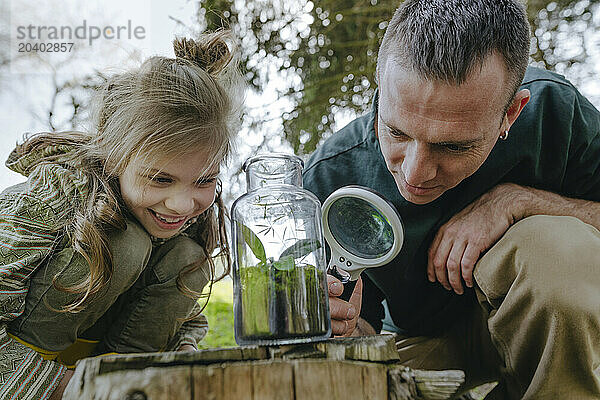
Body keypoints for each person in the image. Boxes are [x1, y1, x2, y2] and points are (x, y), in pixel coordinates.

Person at [303, 0, 600, 398]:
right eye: (396, 132)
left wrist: (518, 203)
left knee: (556, 248)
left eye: (454, 147)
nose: (414, 173)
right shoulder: (329, 176)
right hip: (417, 341)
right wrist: (339, 323)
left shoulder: (557, 113)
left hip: (557, 334)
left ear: (510, 115)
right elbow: (361, 332)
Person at [0, 31, 244, 399]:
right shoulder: (51, 199)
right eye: (161, 178)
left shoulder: (177, 225)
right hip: (21, 373)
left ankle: (128, 381)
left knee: (187, 261)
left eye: (203, 180)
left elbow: (186, 315)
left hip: (101, 369)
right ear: (114, 156)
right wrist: (70, 389)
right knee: (123, 243)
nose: (182, 204)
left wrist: (182, 353)